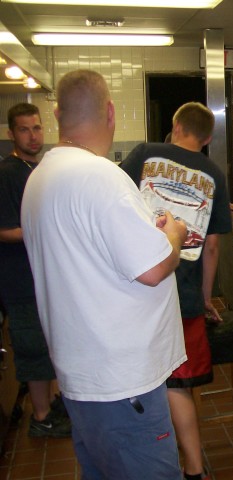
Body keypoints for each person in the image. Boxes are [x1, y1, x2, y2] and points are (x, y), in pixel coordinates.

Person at [21, 69, 188, 479]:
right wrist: (175, 235)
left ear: (58, 114)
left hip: (83, 376)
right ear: (110, 112)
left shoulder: (40, 177)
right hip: (123, 384)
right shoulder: (99, 176)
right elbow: (152, 269)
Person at [120, 101, 232, 480]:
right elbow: (212, 247)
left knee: (135, 379)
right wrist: (203, 298)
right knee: (178, 384)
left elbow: (114, 209)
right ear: (208, 137)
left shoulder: (145, 155)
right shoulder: (215, 174)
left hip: (134, 289)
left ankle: (138, 460)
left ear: (175, 124)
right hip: (181, 298)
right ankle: (194, 469)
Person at [0, 103, 71, 438]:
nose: (33, 135)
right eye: (25, 129)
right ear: (12, 133)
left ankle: (51, 404)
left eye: (37, 128)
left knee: (47, 346)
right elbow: (4, 229)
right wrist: (48, 230)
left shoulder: (36, 169)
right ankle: (41, 417)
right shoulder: (8, 174)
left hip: (43, 279)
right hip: (20, 281)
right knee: (32, 349)